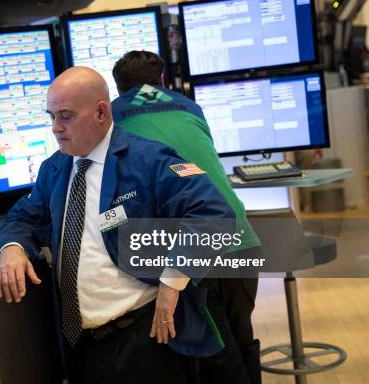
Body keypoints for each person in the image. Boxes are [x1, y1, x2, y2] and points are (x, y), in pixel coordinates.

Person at [0, 66, 237, 384]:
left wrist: (172, 282)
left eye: (65, 116)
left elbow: (215, 215)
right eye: (51, 116)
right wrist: (12, 249)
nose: (55, 128)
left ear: (100, 112)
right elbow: (23, 217)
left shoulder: (147, 159)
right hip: (80, 345)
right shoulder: (54, 168)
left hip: (142, 340)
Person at [111, 50, 262, 384]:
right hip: (242, 237)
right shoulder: (191, 106)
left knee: (219, 360)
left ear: (118, 88)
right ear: (162, 80)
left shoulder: (113, 116)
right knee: (244, 339)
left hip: (196, 248)